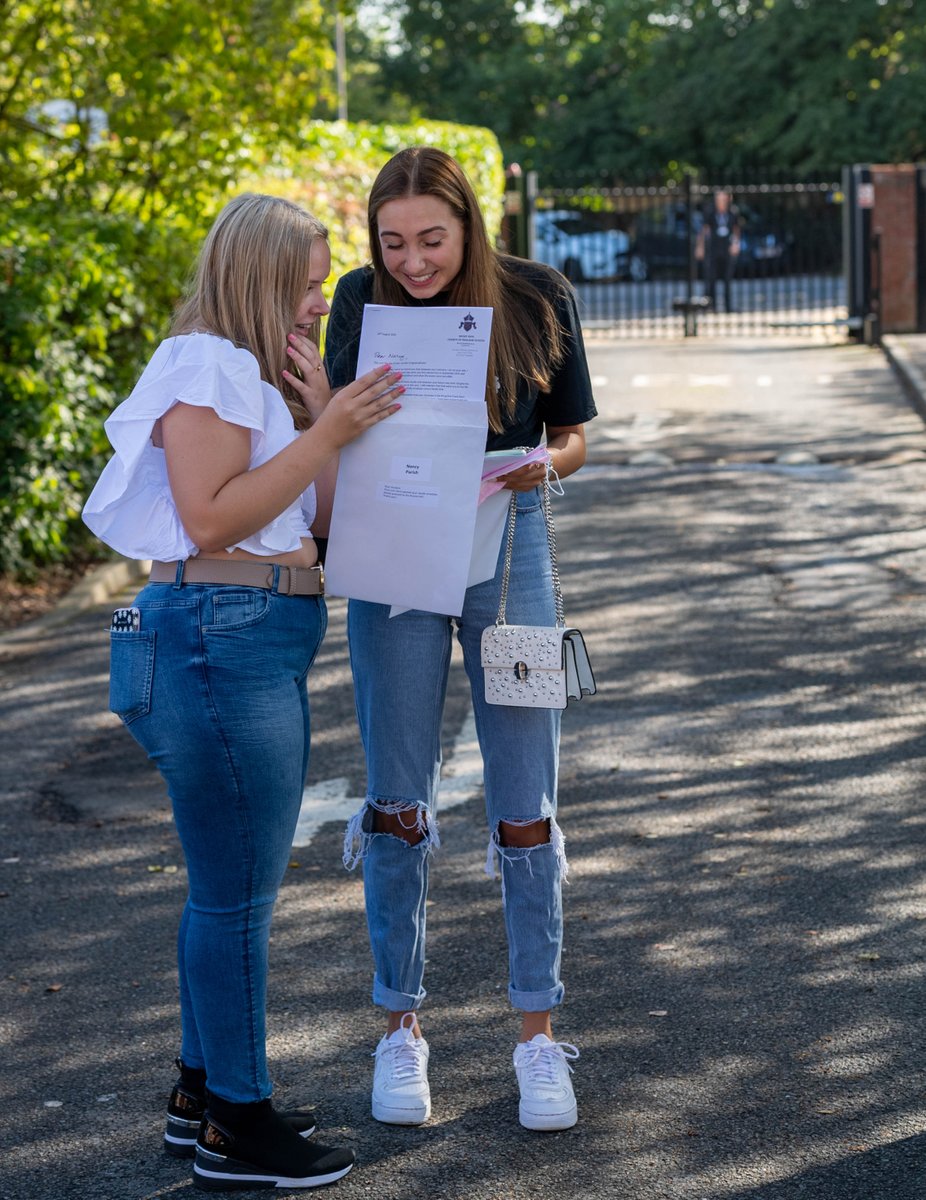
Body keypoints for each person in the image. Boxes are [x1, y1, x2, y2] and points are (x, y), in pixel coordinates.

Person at [82, 193, 403, 1190]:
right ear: (258, 279)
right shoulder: (208, 363)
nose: (319, 302)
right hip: (219, 638)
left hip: (246, 638)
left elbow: (320, 522)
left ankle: (202, 1095)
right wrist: (323, 429)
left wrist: (322, 416)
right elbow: (211, 519)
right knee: (237, 901)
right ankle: (239, 1124)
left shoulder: (255, 379)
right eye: (306, 285)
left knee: (223, 892)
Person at [323, 147, 596, 1132]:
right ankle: (400, 1027)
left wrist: (542, 465)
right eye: (392, 242)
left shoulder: (536, 293)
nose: (412, 262)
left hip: (508, 546)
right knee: (397, 799)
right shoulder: (358, 299)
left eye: (431, 239)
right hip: (394, 542)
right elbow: (336, 430)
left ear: (468, 226)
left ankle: (536, 1038)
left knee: (525, 802)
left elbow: (572, 436)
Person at [696, 188, 741, 313]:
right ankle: (712, 306)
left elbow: (736, 230)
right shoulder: (710, 212)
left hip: (727, 248)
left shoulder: (733, 212)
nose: (720, 202)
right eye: (718, 199)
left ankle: (728, 307)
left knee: (727, 279)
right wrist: (700, 247)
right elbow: (704, 230)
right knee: (711, 278)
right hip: (713, 248)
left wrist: (736, 244)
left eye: (722, 199)